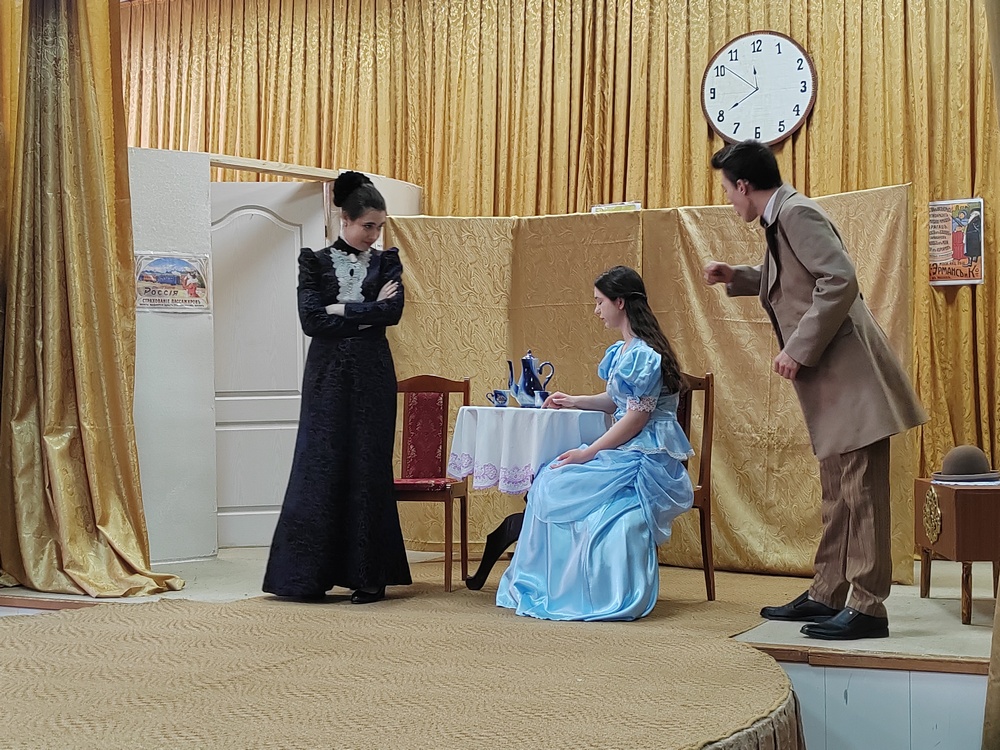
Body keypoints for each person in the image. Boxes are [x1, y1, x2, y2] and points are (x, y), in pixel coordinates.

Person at [704, 140, 927, 640]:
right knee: (838, 492)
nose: (728, 200)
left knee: (861, 493)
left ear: (744, 185)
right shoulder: (780, 218)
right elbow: (793, 278)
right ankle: (828, 592)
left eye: (727, 190)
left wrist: (798, 348)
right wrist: (738, 277)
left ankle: (868, 607)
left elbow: (839, 279)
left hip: (851, 378)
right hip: (834, 381)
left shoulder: (796, 213)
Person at [496, 266, 695, 621]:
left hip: (646, 454)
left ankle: (582, 589)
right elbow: (618, 401)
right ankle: (559, 584)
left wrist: (588, 452)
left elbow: (636, 419)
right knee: (549, 478)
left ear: (620, 302)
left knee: (558, 479)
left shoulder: (643, 354)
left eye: (600, 301)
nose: (596, 309)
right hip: (628, 448)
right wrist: (574, 400)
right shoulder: (624, 350)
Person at [263, 171, 411, 604]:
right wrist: (367, 311)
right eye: (367, 226)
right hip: (326, 378)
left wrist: (342, 309)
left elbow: (392, 313)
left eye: (379, 227)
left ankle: (369, 577)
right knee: (319, 465)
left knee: (368, 466)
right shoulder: (313, 262)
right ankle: (306, 577)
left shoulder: (388, 262)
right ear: (344, 219)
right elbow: (312, 321)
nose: (374, 235)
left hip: (373, 377)